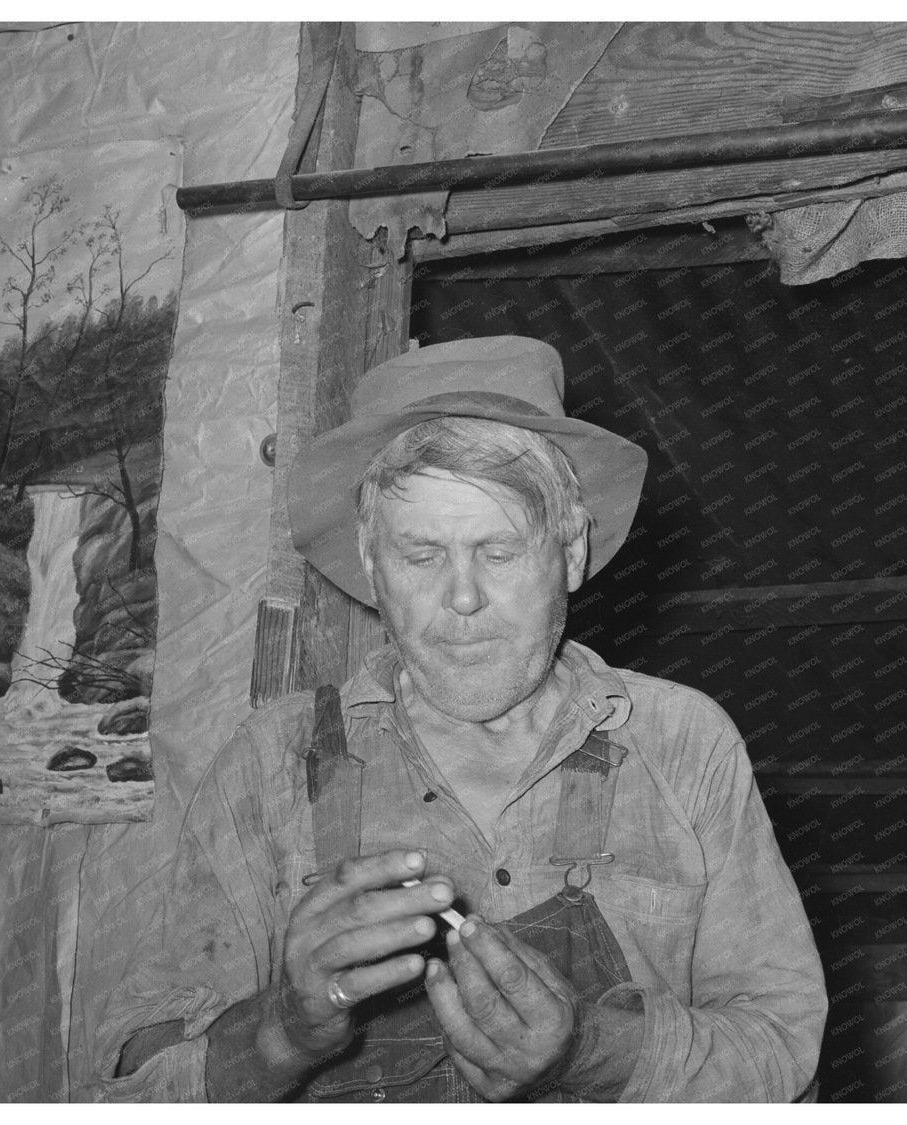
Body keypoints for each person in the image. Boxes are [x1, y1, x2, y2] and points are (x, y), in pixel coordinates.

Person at [96, 336, 827, 1102]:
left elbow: (787, 1056)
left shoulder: (683, 743)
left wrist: (589, 1047)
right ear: (371, 564)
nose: (465, 598)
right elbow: (124, 1079)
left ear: (571, 552)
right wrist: (285, 1029)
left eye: (500, 552)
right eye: (421, 556)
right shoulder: (273, 760)